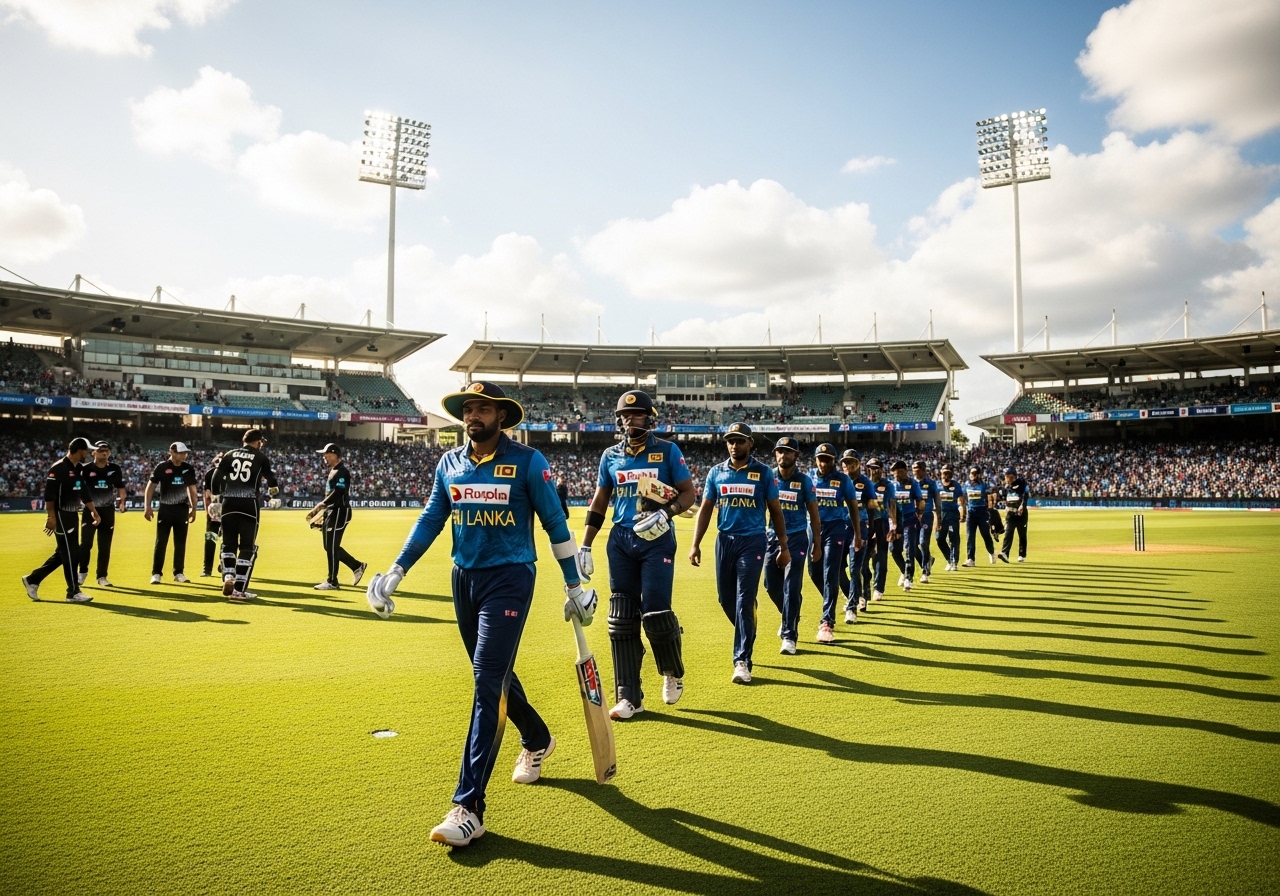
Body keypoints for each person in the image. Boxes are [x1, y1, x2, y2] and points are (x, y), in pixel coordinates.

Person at [362, 381, 596, 848]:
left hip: (510, 578)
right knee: (494, 675)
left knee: (486, 681)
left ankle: (469, 807)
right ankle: (537, 737)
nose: (473, 415)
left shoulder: (530, 462)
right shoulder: (449, 463)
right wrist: (397, 570)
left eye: (482, 408)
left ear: (500, 416)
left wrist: (575, 585)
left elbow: (554, 523)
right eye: (468, 408)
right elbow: (432, 517)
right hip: (464, 578)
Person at [580, 390, 696, 720]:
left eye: (637, 415)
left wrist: (668, 512)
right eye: (624, 416)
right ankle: (629, 696)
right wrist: (586, 544)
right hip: (621, 539)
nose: (630, 421)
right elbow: (600, 502)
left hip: (657, 538)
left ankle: (671, 671)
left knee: (656, 612)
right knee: (621, 619)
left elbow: (688, 494)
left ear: (650, 417)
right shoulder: (610, 456)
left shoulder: (668, 451)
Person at [688, 423, 789, 683]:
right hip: (725, 541)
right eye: (731, 441)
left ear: (750, 443)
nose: (735, 445)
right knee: (726, 600)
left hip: (753, 541)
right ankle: (748, 626)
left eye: (740, 441)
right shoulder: (716, 472)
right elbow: (707, 509)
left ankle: (742, 660)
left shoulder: (764, 473)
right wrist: (695, 543)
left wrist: (784, 547)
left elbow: (776, 512)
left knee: (744, 599)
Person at [22, 437, 98, 603]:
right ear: (80, 450)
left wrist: (94, 512)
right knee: (71, 553)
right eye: (87, 450)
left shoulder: (78, 468)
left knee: (63, 553)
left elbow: (83, 493)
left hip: (72, 515)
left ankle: (33, 579)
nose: (90, 453)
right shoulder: (58, 468)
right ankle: (73, 592)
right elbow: (49, 496)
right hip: (62, 515)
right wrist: (51, 517)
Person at [765, 437, 821, 655]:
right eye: (780, 451)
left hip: (797, 537)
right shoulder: (768, 477)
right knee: (771, 585)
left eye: (788, 452)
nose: (783, 455)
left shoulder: (804, 481)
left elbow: (814, 515)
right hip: (772, 538)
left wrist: (817, 543)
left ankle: (789, 635)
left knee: (791, 586)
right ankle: (790, 613)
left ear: (796, 456)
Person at [211, 429, 279, 600]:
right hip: (249, 504)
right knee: (247, 547)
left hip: (229, 503)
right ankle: (239, 590)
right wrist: (273, 491)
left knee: (228, 545)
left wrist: (215, 498)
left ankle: (228, 577)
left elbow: (216, 477)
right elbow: (271, 478)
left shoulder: (230, 454)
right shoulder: (261, 457)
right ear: (257, 442)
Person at [806, 443, 861, 643]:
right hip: (813, 528)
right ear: (815, 459)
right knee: (813, 571)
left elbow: (853, 508)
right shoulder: (809, 477)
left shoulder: (843, 480)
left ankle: (827, 622)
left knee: (831, 572)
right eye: (820, 458)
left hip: (836, 528)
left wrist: (857, 534)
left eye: (828, 459)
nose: (823, 463)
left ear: (834, 461)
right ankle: (832, 599)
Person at [306, 443, 368, 590]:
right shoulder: (334, 470)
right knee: (329, 547)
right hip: (332, 512)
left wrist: (322, 504)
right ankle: (357, 566)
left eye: (326, 454)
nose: (324, 457)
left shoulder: (342, 471)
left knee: (332, 547)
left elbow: (339, 492)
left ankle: (332, 581)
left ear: (334, 454)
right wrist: (324, 512)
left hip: (339, 512)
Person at [145, 441, 198, 585]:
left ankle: (179, 572)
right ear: (172, 452)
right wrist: (147, 506)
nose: (184, 455)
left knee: (180, 542)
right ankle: (156, 573)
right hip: (166, 509)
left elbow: (192, 489)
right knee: (161, 542)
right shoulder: (162, 467)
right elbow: (150, 487)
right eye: (181, 453)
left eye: (185, 453)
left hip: (182, 509)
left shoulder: (188, 468)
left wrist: (194, 508)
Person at [78, 440, 126, 587]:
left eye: (106, 450)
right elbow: (80, 489)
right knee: (86, 544)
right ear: (94, 452)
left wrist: (122, 501)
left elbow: (120, 487)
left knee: (105, 546)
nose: (104, 453)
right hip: (90, 511)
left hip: (107, 511)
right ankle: (82, 572)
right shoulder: (86, 469)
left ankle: (102, 576)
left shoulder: (115, 469)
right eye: (100, 450)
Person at [840, 448, 874, 623]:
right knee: (837, 569)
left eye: (851, 462)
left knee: (855, 568)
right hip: (839, 528)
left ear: (859, 464)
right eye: (845, 462)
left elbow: (872, 507)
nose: (847, 465)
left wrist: (872, 532)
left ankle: (852, 607)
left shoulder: (865, 483)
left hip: (859, 528)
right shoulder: (837, 481)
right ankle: (853, 595)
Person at [862, 458, 897, 603]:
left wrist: (894, 523)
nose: (874, 470)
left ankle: (878, 588)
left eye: (876, 468)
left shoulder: (887, 485)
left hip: (881, 523)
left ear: (882, 469)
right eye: (871, 467)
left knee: (881, 556)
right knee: (862, 558)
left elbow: (892, 504)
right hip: (865, 523)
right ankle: (865, 587)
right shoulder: (863, 483)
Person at [889, 460, 924, 591]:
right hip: (895, 522)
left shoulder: (913, 484)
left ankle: (909, 578)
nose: (896, 474)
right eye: (894, 472)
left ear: (905, 471)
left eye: (899, 472)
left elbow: (920, 500)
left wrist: (919, 514)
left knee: (909, 549)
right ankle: (904, 571)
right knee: (894, 550)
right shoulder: (891, 485)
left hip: (910, 519)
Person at [912, 460, 940, 583]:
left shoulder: (931, 484)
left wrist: (939, 518)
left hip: (927, 516)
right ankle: (928, 559)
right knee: (911, 546)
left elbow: (937, 501)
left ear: (923, 470)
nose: (914, 471)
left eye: (917, 468)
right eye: (913, 468)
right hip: (912, 517)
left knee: (923, 542)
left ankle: (925, 572)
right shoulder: (910, 483)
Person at [962, 466, 996, 567]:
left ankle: (991, 552)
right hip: (971, 513)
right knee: (970, 536)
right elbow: (963, 497)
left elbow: (990, 497)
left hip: (982, 512)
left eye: (975, 473)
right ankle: (970, 559)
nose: (973, 475)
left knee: (985, 534)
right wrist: (963, 511)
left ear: (979, 474)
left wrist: (991, 509)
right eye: (971, 473)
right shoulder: (967, 484)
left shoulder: (984, 485)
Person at [934, 464, 965, 571]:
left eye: (948, 473)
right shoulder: (936, 485)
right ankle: (949, 559)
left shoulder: (956, 485)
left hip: (952, 515)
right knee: (939, 539)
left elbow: (961, 501)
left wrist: (963, 513)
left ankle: (954, 562)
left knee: (954, 538)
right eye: (944, 472)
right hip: (940, 516)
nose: (945, 475)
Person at [996, 467, 1030, 563]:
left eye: (1008, 476)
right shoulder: (1006, 486)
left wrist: (1022, 506)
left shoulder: (1022, 483)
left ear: (1013, 476)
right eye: (1005, 476)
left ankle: (1022, 554)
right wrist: (1006, 506)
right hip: (1010, 513)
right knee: (1008, 533)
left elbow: (1025, 495)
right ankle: (1005, 553)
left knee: (1022, 534)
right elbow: (1006, 497)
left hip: (1021, 513)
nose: (1006, 478)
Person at [201, 453, 224, 578]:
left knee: (227, 540)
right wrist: (208, 513)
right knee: (211, 539)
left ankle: (224, 564)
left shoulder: (232, 474)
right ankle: (207, 568)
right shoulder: (210, 474)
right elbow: (207, 494)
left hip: (228, 511)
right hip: (214, 512)